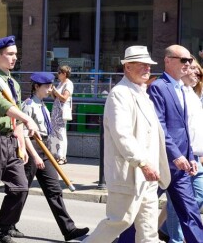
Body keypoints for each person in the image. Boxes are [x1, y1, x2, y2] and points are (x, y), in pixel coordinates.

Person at [83, 46, 170, 242]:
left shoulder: (143, 93)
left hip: (147, 177)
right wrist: (142, 163)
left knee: (149, 231)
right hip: (130, 174)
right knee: (118, 221)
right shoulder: (119, 94)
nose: (147, 68)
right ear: (127, 67)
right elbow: (122, 134)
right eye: (142, 64)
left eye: (148, 65)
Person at [0, 35, 39, 243]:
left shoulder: (14, 83)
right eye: (10, 54)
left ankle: (2, 226)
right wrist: (27, 118)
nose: (14, 58)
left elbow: (16, 117)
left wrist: (21, 144)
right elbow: (3, 106)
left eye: (15, 55)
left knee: (21, 188)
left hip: (11, 140)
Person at [21, 72, 89, 242]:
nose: (50, 89)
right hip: (32, 149)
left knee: (54, 190)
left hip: (45, 148)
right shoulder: (28, 105)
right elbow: (23, 134)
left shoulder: (42, 104)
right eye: (47, 87)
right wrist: (35, 156)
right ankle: (4, 225)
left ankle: (69, 230)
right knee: (20, 192)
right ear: (37, 87)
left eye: (51, 86)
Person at [161, 57, 203, 242]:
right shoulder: (175, 91)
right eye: (192, 69)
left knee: (195, 197)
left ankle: (165, 229)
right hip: (177, 156)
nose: (195, 73)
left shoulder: (192, 94)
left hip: (193, 156)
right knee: (176, 202)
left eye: (198, 71)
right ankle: (174, 238)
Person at [50, 65, 73, 165]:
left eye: (59, 72)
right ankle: (55, 155)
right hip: (56, 110)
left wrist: (55, 92)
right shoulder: (60, 83)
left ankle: (62, 156)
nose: (57, 74)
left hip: (62, 111)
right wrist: (52, 92)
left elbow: (64, 98)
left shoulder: (68, 84)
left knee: (61, 133)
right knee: (54, 132)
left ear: (64, 74)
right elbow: (55, 98)